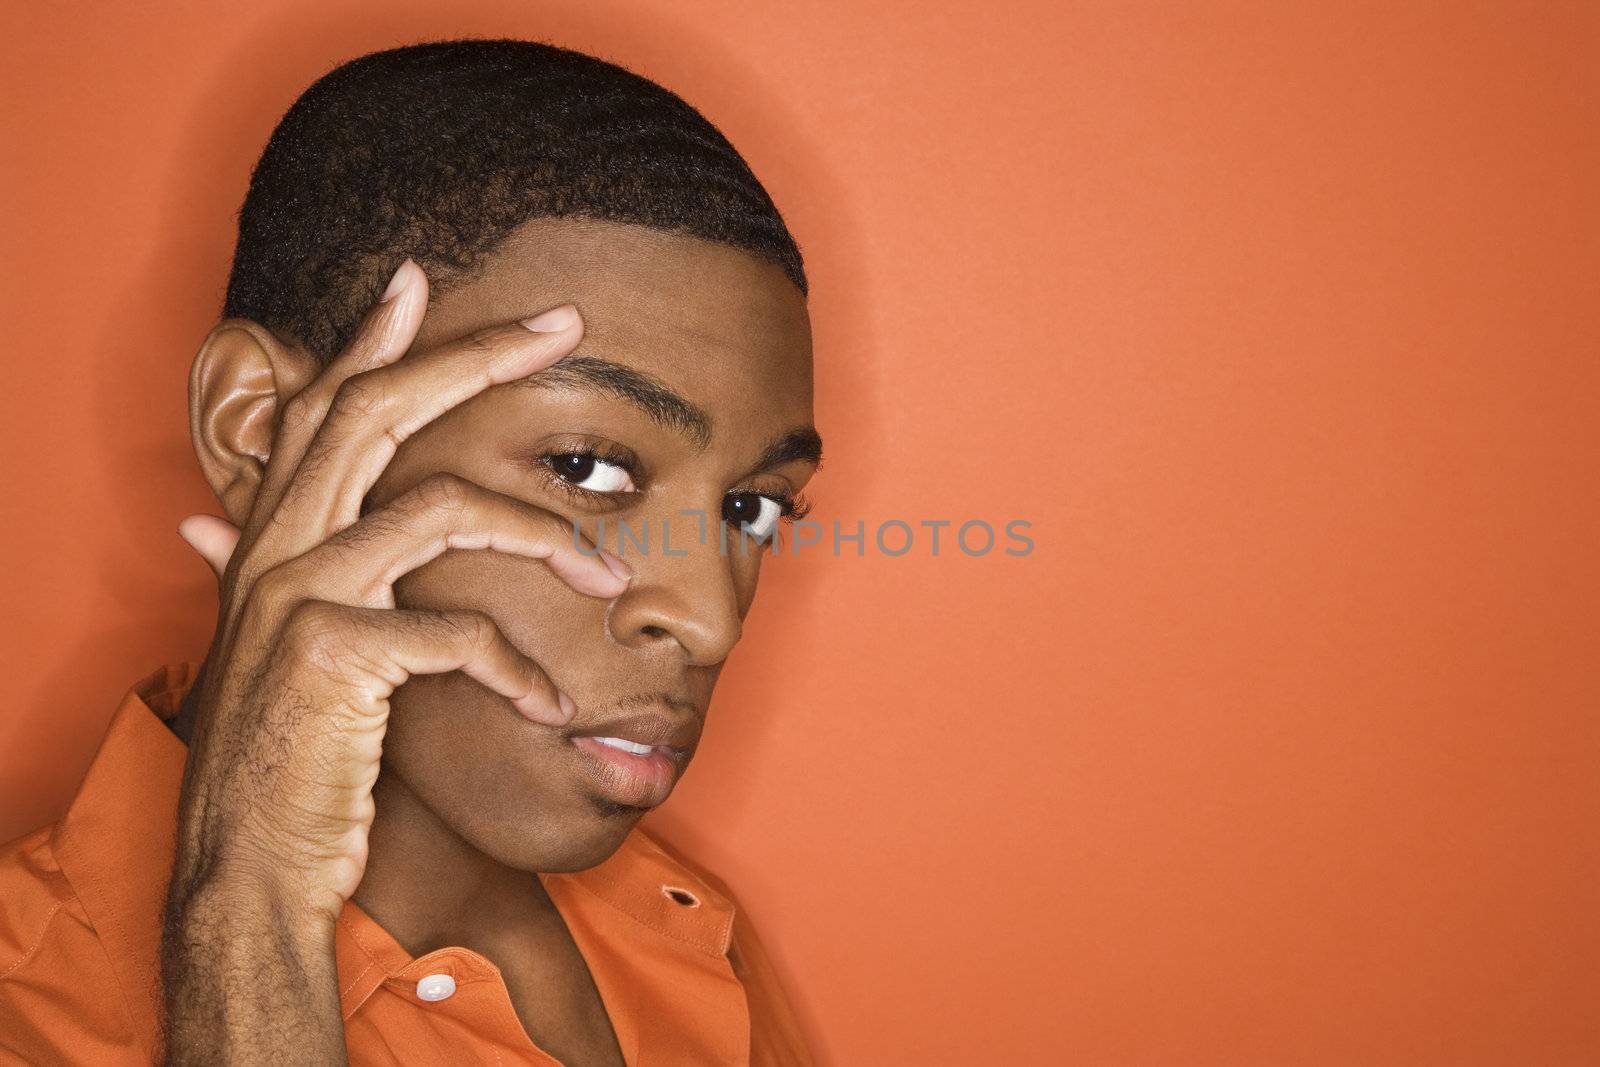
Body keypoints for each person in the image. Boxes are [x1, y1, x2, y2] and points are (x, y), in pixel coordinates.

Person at [0, 38, 821, 1065]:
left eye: (751, 507)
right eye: (587, 465)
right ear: (257, 429)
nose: (710, 617)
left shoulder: (692, 937)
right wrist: (249, 906)